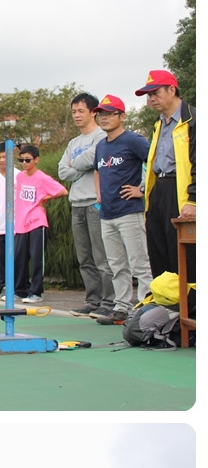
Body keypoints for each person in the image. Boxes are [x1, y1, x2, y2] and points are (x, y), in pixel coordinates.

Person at [93, 93, 154, 324]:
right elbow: (97, 170)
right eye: (101, 114)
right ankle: (121, 308)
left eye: (110, 114)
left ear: (122, 116)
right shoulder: (101, 146)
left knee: (139, 263)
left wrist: (142, 189)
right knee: (117, 265)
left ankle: (146, 309)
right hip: (106, 214)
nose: (104, 118)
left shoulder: (133, 140)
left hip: (130, 212)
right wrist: (98, 193)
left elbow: (156, 162)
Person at [136, 69, 196, 280]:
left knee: (180, 254)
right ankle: (165, 305)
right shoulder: (159, 124)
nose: (151, 99)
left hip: (179, 190)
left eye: (155, 93)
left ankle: (189, 307)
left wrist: (193, 200)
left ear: (172, 90)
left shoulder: (192, 119)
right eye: (148, 95)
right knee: (157, 249)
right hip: (158, 191)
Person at [58, 93, 114, 317]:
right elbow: (63, 171)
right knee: (85, 259)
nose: (77, 116)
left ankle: (109, 304)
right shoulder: (73, 142)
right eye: (73, 112)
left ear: (94, 112)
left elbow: (88, 160)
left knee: (102, 257)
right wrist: (82, 166)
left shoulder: (101, 137)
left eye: (81, 111)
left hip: (95, 203)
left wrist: (78, 164)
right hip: (76, 203)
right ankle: (93, 301)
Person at [11, 144, 67, 302]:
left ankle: (36, 292)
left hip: (37, 221)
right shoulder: (20, 177)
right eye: (21, 160)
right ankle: (20, 290)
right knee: (19, 257)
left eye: (27, 160)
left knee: (36, 258)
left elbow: (63, 191)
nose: (24, 163)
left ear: (36, 160)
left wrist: (44, 198)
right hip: (21, 223)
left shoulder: (42, 177)